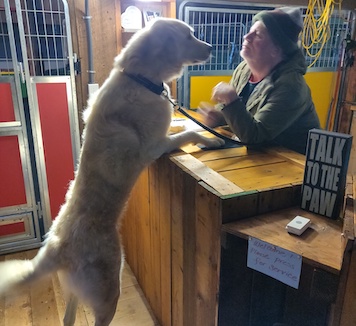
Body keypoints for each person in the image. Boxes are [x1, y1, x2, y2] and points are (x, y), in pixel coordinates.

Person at [198, 7, 321, 154]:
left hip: (295, 165)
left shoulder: (291, 86)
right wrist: (218, 116)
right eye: (250, 31)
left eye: (258, 35)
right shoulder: (244, 69)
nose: (247, 36)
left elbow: (255, 137)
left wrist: (231, 100)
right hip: (264, 156)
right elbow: (240, 115)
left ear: (276, 49)